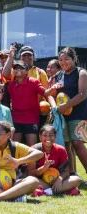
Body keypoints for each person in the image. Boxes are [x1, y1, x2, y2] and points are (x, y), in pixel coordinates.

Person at [51, 47, 87, 176]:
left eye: (66, 59)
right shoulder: (58, 75)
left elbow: (82, 94)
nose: (63, 62)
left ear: (74, 59)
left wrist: (65, 106)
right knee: (66, 145)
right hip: (62, 115)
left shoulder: (81, 72)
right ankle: (73, 173)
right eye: (60, 60)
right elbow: (49, 93)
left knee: (77, 143)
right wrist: (55, 105)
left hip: (79, 113)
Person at [5, 60, 57, 147]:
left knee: (32, 146)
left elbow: (45, 93)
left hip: (31, 118)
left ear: (26, 71)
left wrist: (53, 88)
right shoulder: (10, 85)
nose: (18, 70)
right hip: (15, 119)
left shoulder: (33, 81)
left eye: (21, 68)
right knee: (14, 146)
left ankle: (33, 161)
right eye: (16, 68)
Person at [27, 125, 82, 196]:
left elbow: (66, 171)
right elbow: (31, 174)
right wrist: (44, 168)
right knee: (30, 180)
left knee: (77, 179)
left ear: (55, 137)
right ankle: (62, 190)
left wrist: (59, 179)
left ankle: (46, 192)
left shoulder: (61, 149)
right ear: (40, 137)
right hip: (40, 180)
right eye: (45, 135)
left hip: (56, 180)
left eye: (51, 135)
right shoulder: (34, 149)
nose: (48, 138)